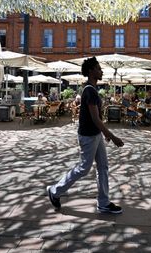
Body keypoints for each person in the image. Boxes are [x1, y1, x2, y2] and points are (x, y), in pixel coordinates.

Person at [46, 57, 124, 214]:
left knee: (103, 167)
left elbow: (96, 116)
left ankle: (103, 202)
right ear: (91, 71)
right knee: (84, 168)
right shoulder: (89, 90)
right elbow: (95, 119)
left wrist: (105, 134)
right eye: (98, 68)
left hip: (95, 134)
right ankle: (55, 190)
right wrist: (112, 136)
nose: (101, 71)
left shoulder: (92, 89)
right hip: (89, 135)